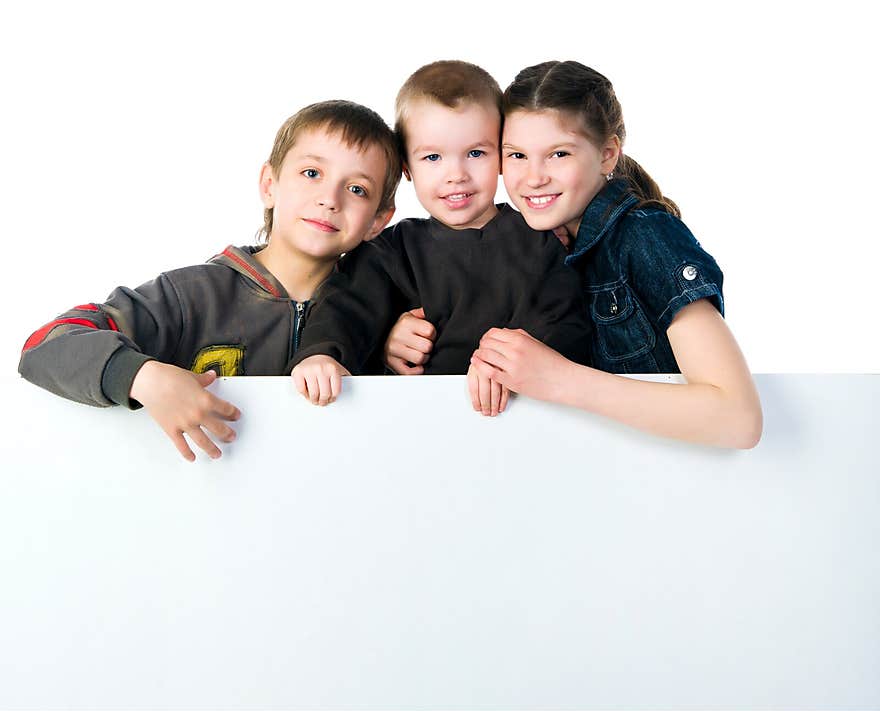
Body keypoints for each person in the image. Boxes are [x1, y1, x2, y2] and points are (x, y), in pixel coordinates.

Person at [390, 60, 762, 448]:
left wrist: (562, 379)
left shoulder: (645, 236)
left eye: (559, 154)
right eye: (516, 155)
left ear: (607, 154)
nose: (534, 177)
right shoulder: (529, 247)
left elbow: (738, 418)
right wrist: (395, 339)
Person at [18, 100, 401, 460]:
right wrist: (143, 376)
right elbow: (46, 343)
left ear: (378, 220)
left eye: (357, 189)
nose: (330, 198)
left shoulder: (387, 316)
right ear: (270, 184)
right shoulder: (190, 297)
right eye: (312, 173)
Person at [290, 61, 591, 416]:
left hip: (522, 420)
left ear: (501, 156)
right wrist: (326, 354)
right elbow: (347, 309)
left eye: (475, 153)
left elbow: (569, 324)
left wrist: (512, 360)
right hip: (417, 424)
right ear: (407, 169)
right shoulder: (391, 251)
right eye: (432, 157)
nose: (456, 175)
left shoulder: (539, 240)